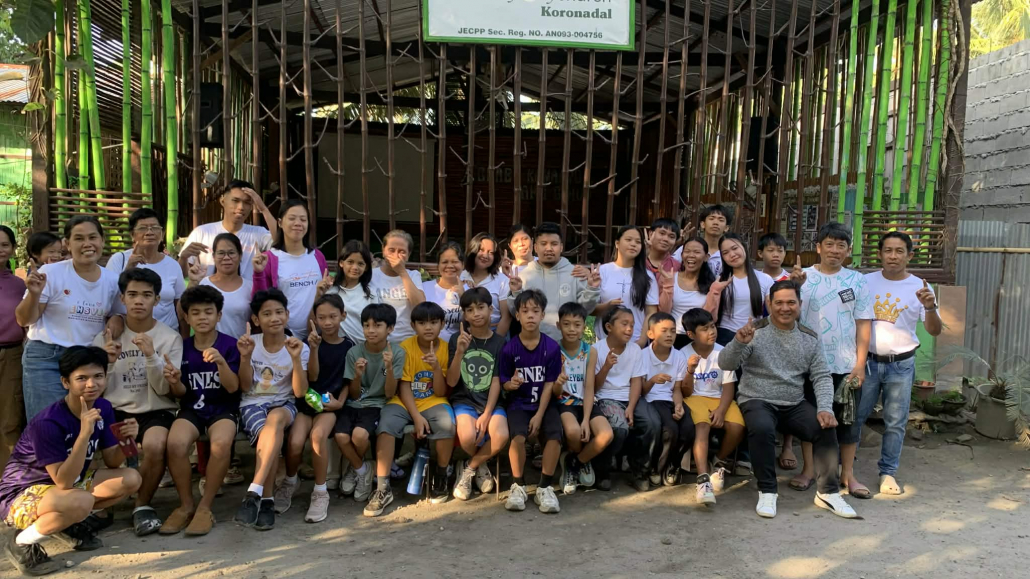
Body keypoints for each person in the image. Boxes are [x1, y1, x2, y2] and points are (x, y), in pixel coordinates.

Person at [718, 281, 858, 519]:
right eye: (779, 303)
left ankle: (828, 492)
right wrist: (738, 342)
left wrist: (825, 408)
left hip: (793, 402)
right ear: (769, 304)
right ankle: (767, 490)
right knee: (762, 427)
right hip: (757, 399)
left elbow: (821, 376)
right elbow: (726, 364)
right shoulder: (754, 332)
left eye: (791, 302)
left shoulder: (809, 338)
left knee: (825, 426)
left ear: (799, 304)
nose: (785, 308)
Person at [0, 346, 142, 576]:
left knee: (131, 479)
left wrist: (128, 440)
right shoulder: (48, 422)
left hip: (63, 488)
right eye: (81, 378)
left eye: (98, 376)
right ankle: (21, 541)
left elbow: (112, 461)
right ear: (66, 382)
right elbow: (64, 481)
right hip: (21, 493)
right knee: (81, 501)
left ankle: (66, 523)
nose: (91, 384)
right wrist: (84, 434)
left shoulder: (103, 407)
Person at [92, 269, 182, 536]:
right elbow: (95, 391)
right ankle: (102, 502)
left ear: (157, 300)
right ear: (122, 298)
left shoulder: (169, 338)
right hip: (116, 411)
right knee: (111, 451)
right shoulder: (106, 338)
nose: (139, 301)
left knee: (155, 444)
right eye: (132, 295)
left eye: (146, 295)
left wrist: (152, 356)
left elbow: (164, 390)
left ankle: (142, 505)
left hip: (155, 409)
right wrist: (107, 363)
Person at [788, 222, 873, 500]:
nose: (835, 250)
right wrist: (795, 287)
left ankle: (848, 474)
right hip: (809, 364)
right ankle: (809, 470)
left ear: (848, 250)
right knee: (810, 420)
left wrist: (860, 364)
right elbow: (786, 317)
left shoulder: (857, 281)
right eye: (829, 244)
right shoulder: (802, 277)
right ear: (818, 247)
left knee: (848, 422)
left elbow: (863, 323)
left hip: (846, 364)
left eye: (841, 245)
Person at [856, 232, 941, 496]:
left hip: (901, 365)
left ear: (909, 255)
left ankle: (888, 472)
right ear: (880, 254)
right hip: (867, 362)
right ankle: (843, 468)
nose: (893, 256)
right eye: (888, 250)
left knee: (895, 422)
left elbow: (935, 330)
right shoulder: (865, 282)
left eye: (900, 251)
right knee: (855, 417)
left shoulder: (921, 287)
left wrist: (930, 307)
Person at [16, 216, 125, 420]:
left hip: (86, 360)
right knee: (47, 425)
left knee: (81, 424)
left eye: (93, 237)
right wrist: (34, 294)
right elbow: (23, 320)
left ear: (102, 241)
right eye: (79, 238)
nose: (87, 244)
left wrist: (118, 317)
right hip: (47, 358)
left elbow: (119, 314)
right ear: (67, 243)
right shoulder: (50, 273)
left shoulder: (112, 280)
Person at [159, 285, 241, 536]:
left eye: (208, 312)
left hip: (222, 409)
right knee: (175, 443)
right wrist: (174, 381)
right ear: (186, 317)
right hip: (191, 409)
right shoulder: (181, 347)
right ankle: (186, 505)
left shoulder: (230, 345)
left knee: (221, 443)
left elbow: (233, 387)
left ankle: (205, 507)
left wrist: (221, 363)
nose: (202, 317)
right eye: (195, 313)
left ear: (219, 315)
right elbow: (180, 393)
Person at [368, 302, 454, 517]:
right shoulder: (405, 347)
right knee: (386, 426)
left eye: (434, 322)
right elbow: (404, 386)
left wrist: (436, 367)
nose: (428, 327)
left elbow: (441, 391)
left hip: (433, 400)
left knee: (447, 425)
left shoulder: (446, 348)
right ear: (413, 325)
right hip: (404, 401)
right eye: (422, 323)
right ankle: (382, 487)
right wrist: (416, 417)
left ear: (442, 324)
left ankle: (441, 475)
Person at [233, 289, 310, 531]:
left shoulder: (299, 346)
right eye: (267, 314)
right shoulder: (250, 344)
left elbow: (299, 392)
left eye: (279, 312)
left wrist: (295, 359)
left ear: (287, 314)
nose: (274, 318)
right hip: (252, 403)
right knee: (269, 439)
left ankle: (254, 490)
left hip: (285, 404)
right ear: (256, 319)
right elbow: (245, 386)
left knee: (275, 419)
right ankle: (266, 500)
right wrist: (245, 358)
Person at [282, 295, 354, 523]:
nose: (327, 322)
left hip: (331, 406)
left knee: (317, 436)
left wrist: (340, 402)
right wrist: (314, 349)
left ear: (343, 316)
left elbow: (348, 381)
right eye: (322, 317)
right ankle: (290, 482)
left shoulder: (350, 346)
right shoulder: (306, 343)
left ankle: (320, 492)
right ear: (315, 319)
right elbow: (312, 376)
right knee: (295, 442)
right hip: (306, 403)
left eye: (333, 316)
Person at [499, 290, 564, 513]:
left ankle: (545, 487)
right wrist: (511, 384)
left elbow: (549, 384)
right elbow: (504, 382)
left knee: (554, 435)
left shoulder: (551, 347)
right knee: (517, 436)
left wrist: (539, 415)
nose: (530, 316)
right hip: (519, 404)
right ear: (517, 316)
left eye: (535, 311)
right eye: (525, 311)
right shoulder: (509, 348)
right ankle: (518, 485)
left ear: (542, 315)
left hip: (544, 404)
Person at [335, 304, 403, 503]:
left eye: (377, 325)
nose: (371, 330)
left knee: (359, 435)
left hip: (377, 404)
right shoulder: (354, 352)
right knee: (340, 436)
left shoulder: (396, 353)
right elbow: (354, 394)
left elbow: (389, 393)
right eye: (366, 325)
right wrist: (357, 375)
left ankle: (355, 468)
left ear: (390, 328)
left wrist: (389, 368)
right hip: (354, 403)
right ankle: (362, 469)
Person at [448, 288, 510, 501]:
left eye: (481, 307)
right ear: (464, 315)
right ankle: (481, 464)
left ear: (491, 309)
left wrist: (487, 414)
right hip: (464, 400)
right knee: (467, 438)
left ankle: (469, 467)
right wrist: (459, 352)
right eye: (470, 310)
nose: (476, 313)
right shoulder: (456, 339)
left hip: (491, 402)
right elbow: (451, 381)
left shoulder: (500, 343)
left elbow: (496, 381)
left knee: (501, 436)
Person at [680, 308, 745, 505]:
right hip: (694, 398)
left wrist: (721, 410)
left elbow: (728, 387)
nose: (711, 332)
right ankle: (703, 480)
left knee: (737, 426)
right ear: (691, 334)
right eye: (704, 329)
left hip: (719, 398)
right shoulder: (683, 354)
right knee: (703, 425)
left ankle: (717, 462)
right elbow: (685, 392)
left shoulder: (723, 353)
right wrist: (690, 371)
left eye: (712, 326)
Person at [592, 306, 657, 492]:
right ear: (609, 327)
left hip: (630, 397)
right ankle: (602, 470)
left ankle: (640, 471)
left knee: (651, 423)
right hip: (606, 397)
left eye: (632, 325)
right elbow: (594, 387)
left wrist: (631, 407)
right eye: (624, 324)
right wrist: (606, 367)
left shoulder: (635, 349)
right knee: (619, 428)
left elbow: (636, 382)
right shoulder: (596, 350)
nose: (629, 329)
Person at [553, 302, 614, 495]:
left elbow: (589, 387)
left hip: (586, 402)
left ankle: (575, 462)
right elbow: (554, 392)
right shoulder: (554, 350)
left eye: (577, 324)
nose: (572, 329)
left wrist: (586, 419)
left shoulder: (590, 351)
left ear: (584, 327)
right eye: (566, 324)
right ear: (558, 325)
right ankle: (579, 458)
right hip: (564, 402)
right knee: (573, 431)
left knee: (606, 434)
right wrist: (558, 382)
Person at [507, 221, 600, 342]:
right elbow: (515, 313)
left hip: (567, 346)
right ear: (535, 247)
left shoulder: (575, 274)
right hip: (533, 345)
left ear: (561, 247)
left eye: (554, 244)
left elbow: (585, 309)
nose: (549, 248)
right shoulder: (524, 276)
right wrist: (515, 293)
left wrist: (592, 289)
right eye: (543, 244)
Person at [251, 199, 329, 341]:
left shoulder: (317, 256)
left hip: (316, 334)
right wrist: (258, 273)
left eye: (303, 219)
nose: (298, 223)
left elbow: (325, 294)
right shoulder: (269, 258)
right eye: (292, 218)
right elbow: (259, 300)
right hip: (283, 336)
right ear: (280, 223)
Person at [178, 180, 277, 280]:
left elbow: (280, 242)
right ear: (222, 201)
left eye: (247, 202)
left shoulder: (258, 233)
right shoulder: (202, 232)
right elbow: (182, 274)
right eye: (235, 200)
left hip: (247, 290)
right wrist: (183, 258)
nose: (241, 207)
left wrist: (263, 209)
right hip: (207, 290)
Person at [106, 208, 185, 332]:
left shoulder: (173, 265)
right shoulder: (119, 260)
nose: (149, 232)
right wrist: (128, 269)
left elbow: (179, 305)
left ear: (162, 234)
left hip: (167, 335)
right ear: (132, 235)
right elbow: (110, 297)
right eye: (142, 228)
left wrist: (184, 339)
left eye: (155, 228)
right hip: (129, 334)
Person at [640, 313, 693, 489]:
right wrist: (652, 380)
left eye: (672, 331)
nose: (669, 335)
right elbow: (641, 391)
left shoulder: (678, 356)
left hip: (670, 399)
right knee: (670, 430)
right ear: (650, 334)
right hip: (651, 400)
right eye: (664, 331)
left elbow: (676, 389)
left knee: (688, 428)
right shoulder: (642, 356)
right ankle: (656, 469)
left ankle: (673, 465)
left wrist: (678, 405)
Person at [592, 225, 659, 347]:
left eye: (638, 242)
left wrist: (642, 341)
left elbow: (651, 312)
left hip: (636, 342)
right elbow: (590, 309)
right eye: (628, 240)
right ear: (617, 243)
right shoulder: (602, 271)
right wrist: (606, 306)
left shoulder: (647, 276)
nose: (633, 244)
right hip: (604, 342)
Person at [190, 233, 254, 339]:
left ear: (240, 256)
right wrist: (193, 283)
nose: (226, 258)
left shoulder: (250, 287)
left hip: (241, 346)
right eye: (221, 253)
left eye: (231, 253)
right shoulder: (204, 284)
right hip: (209, 347)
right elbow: (185, 313)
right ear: (213, 256)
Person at [715, 233, 773, 346]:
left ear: (744, 247)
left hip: (754, 335)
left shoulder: (764, 279)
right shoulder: (719, 281)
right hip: (725, 336)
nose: (732, 254)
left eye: (735, 248)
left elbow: (773, 311)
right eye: (725, 253)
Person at [370, 229, 426, 344]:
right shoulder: (371, 275)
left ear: (408, 255)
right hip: (377, 342)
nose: (396, 255)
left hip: (407, 343)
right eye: (391, 250)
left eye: (402, 251)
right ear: (383, 250)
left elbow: (420, 306)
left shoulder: (413, 275)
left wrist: (402, 273)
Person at [0, 225, 26, 469]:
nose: (0, 249)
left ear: (13, 249)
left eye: (4, 244)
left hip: (11, 355)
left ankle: (7, 480)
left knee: (10, 420)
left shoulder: (20, 285)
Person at [669, 237, 720, 349]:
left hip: (700, 338)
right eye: (687, 251)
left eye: (697, 252)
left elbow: (713, 317)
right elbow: (663, 310)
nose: (691, 255)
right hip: (673, 336)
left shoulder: (713, 284)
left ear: (706, 257)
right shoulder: (671, 278)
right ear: (681, 255)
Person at [325, 240, 378, 344]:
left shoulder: (371, 294)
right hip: (336, 348)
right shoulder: (330, 291)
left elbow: (375, 324)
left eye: (360, 264)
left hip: (363, 348)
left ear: (366, 267)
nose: (355, 267)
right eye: (350, 262)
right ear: (341, 263)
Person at [461, 232, 512, 337]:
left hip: (494, 332)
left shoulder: (502, 280)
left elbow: (506, 317)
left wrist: (495, 342)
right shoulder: (461, 276)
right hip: (466, 333)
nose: (485, 255)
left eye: (490, 252)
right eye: (481, 250)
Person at [422, 241, 465, 344]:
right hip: (429, 347)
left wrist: (464, 297)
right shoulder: (424, 288)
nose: (450, 266)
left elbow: (474, 323)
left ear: (463, 265)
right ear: (438, 265)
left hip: (458, 347)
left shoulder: (470, 290)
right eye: (445, 262)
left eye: (454, 261)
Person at [644, 218, 682, 313]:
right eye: (662, 233)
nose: (665, 239)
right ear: (651, 234)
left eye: (671, 236)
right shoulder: (636, 261)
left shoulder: (677, 267)